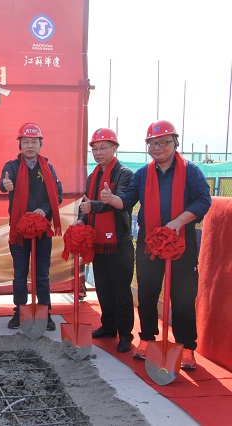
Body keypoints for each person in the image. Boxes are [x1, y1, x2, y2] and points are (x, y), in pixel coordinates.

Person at [100, 119, 211, 369]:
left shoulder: (191, 171)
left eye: (163, 142)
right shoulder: (142, 174)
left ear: (175, 142)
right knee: (147, 294)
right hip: (150, 243)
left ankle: (186, 347)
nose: (157, 147)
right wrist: (111, 199)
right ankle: (147, 339)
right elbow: (127, 201)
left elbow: (203, 201)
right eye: (152, 143)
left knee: (183, 297)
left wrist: (178, 222)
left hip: (182, 242)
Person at [74, 128, 134, 353]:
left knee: (121, 290)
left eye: (103, 148)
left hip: (119, 242)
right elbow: (86, 204)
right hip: (98, 241)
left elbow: (121, 202)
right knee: (103, 288)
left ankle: (126, 335)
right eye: (95, 149)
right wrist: (81, 220)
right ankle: (108, 326)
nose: (98, 153)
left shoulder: (124, 174)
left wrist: (96, 205)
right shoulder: (93, 176)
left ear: (114, 148)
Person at [0, 122, 63, 332]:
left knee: (42, 274)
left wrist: (44, 211)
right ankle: (19, 311)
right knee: (20, 274)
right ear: (20, 145)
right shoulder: (12, 166)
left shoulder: (48, 168)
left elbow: (57, 195)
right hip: (19, 231)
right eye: (25, 142)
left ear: (40, 144)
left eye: (34, 142)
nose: (29, 146)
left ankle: (45, 312)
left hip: (42, 230)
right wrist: (5, 184)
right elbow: (3, 181)